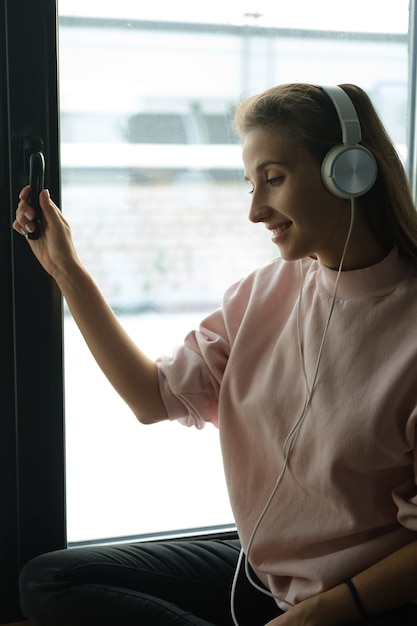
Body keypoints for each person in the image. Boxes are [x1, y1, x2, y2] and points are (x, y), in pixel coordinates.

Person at [14, 83, 417, 626]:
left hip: (365, 599)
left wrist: (316, 615)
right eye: (250, 185)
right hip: (265, 576)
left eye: (273, 180)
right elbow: (151, 398)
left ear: (349, 171)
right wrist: (66, 270)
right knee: (51, 580)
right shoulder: (260, 295)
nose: (255, 211)